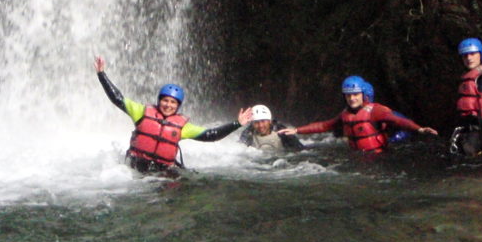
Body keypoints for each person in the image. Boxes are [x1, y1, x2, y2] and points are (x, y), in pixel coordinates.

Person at [95, 56, 251, 176]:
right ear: (159, 100)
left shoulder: (183, 127)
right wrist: (102, 74)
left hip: (160, 175)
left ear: (178, 106)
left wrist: (237, 123)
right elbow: (117, 98)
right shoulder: (141, 112)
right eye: (165, 100)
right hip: (133, 171)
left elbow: (211, 135)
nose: (168, 105)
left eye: (173, 103)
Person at [278, 75, 437, 154]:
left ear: (363, 94)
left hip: (379, 158)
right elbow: (324, 125)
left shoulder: (375, 110)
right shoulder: (345, 114)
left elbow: (398, 121)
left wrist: (419, 129)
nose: (352, 98)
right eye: (348, 95)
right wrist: (297, 130)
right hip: (358, 158)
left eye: (355, 94)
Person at [362, 79, 412, 144]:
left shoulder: (380, 111)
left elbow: (406, 126)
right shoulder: (352, 115)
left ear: (367, 97)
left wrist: (393, 140)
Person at [239, 104, 304, 152]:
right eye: (256, 122)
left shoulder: (281, 131)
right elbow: (239, 150)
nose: (260, 125)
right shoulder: (248, 133)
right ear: (252, 123)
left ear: (269, 121)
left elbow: (300, 149)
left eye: (263, 121)